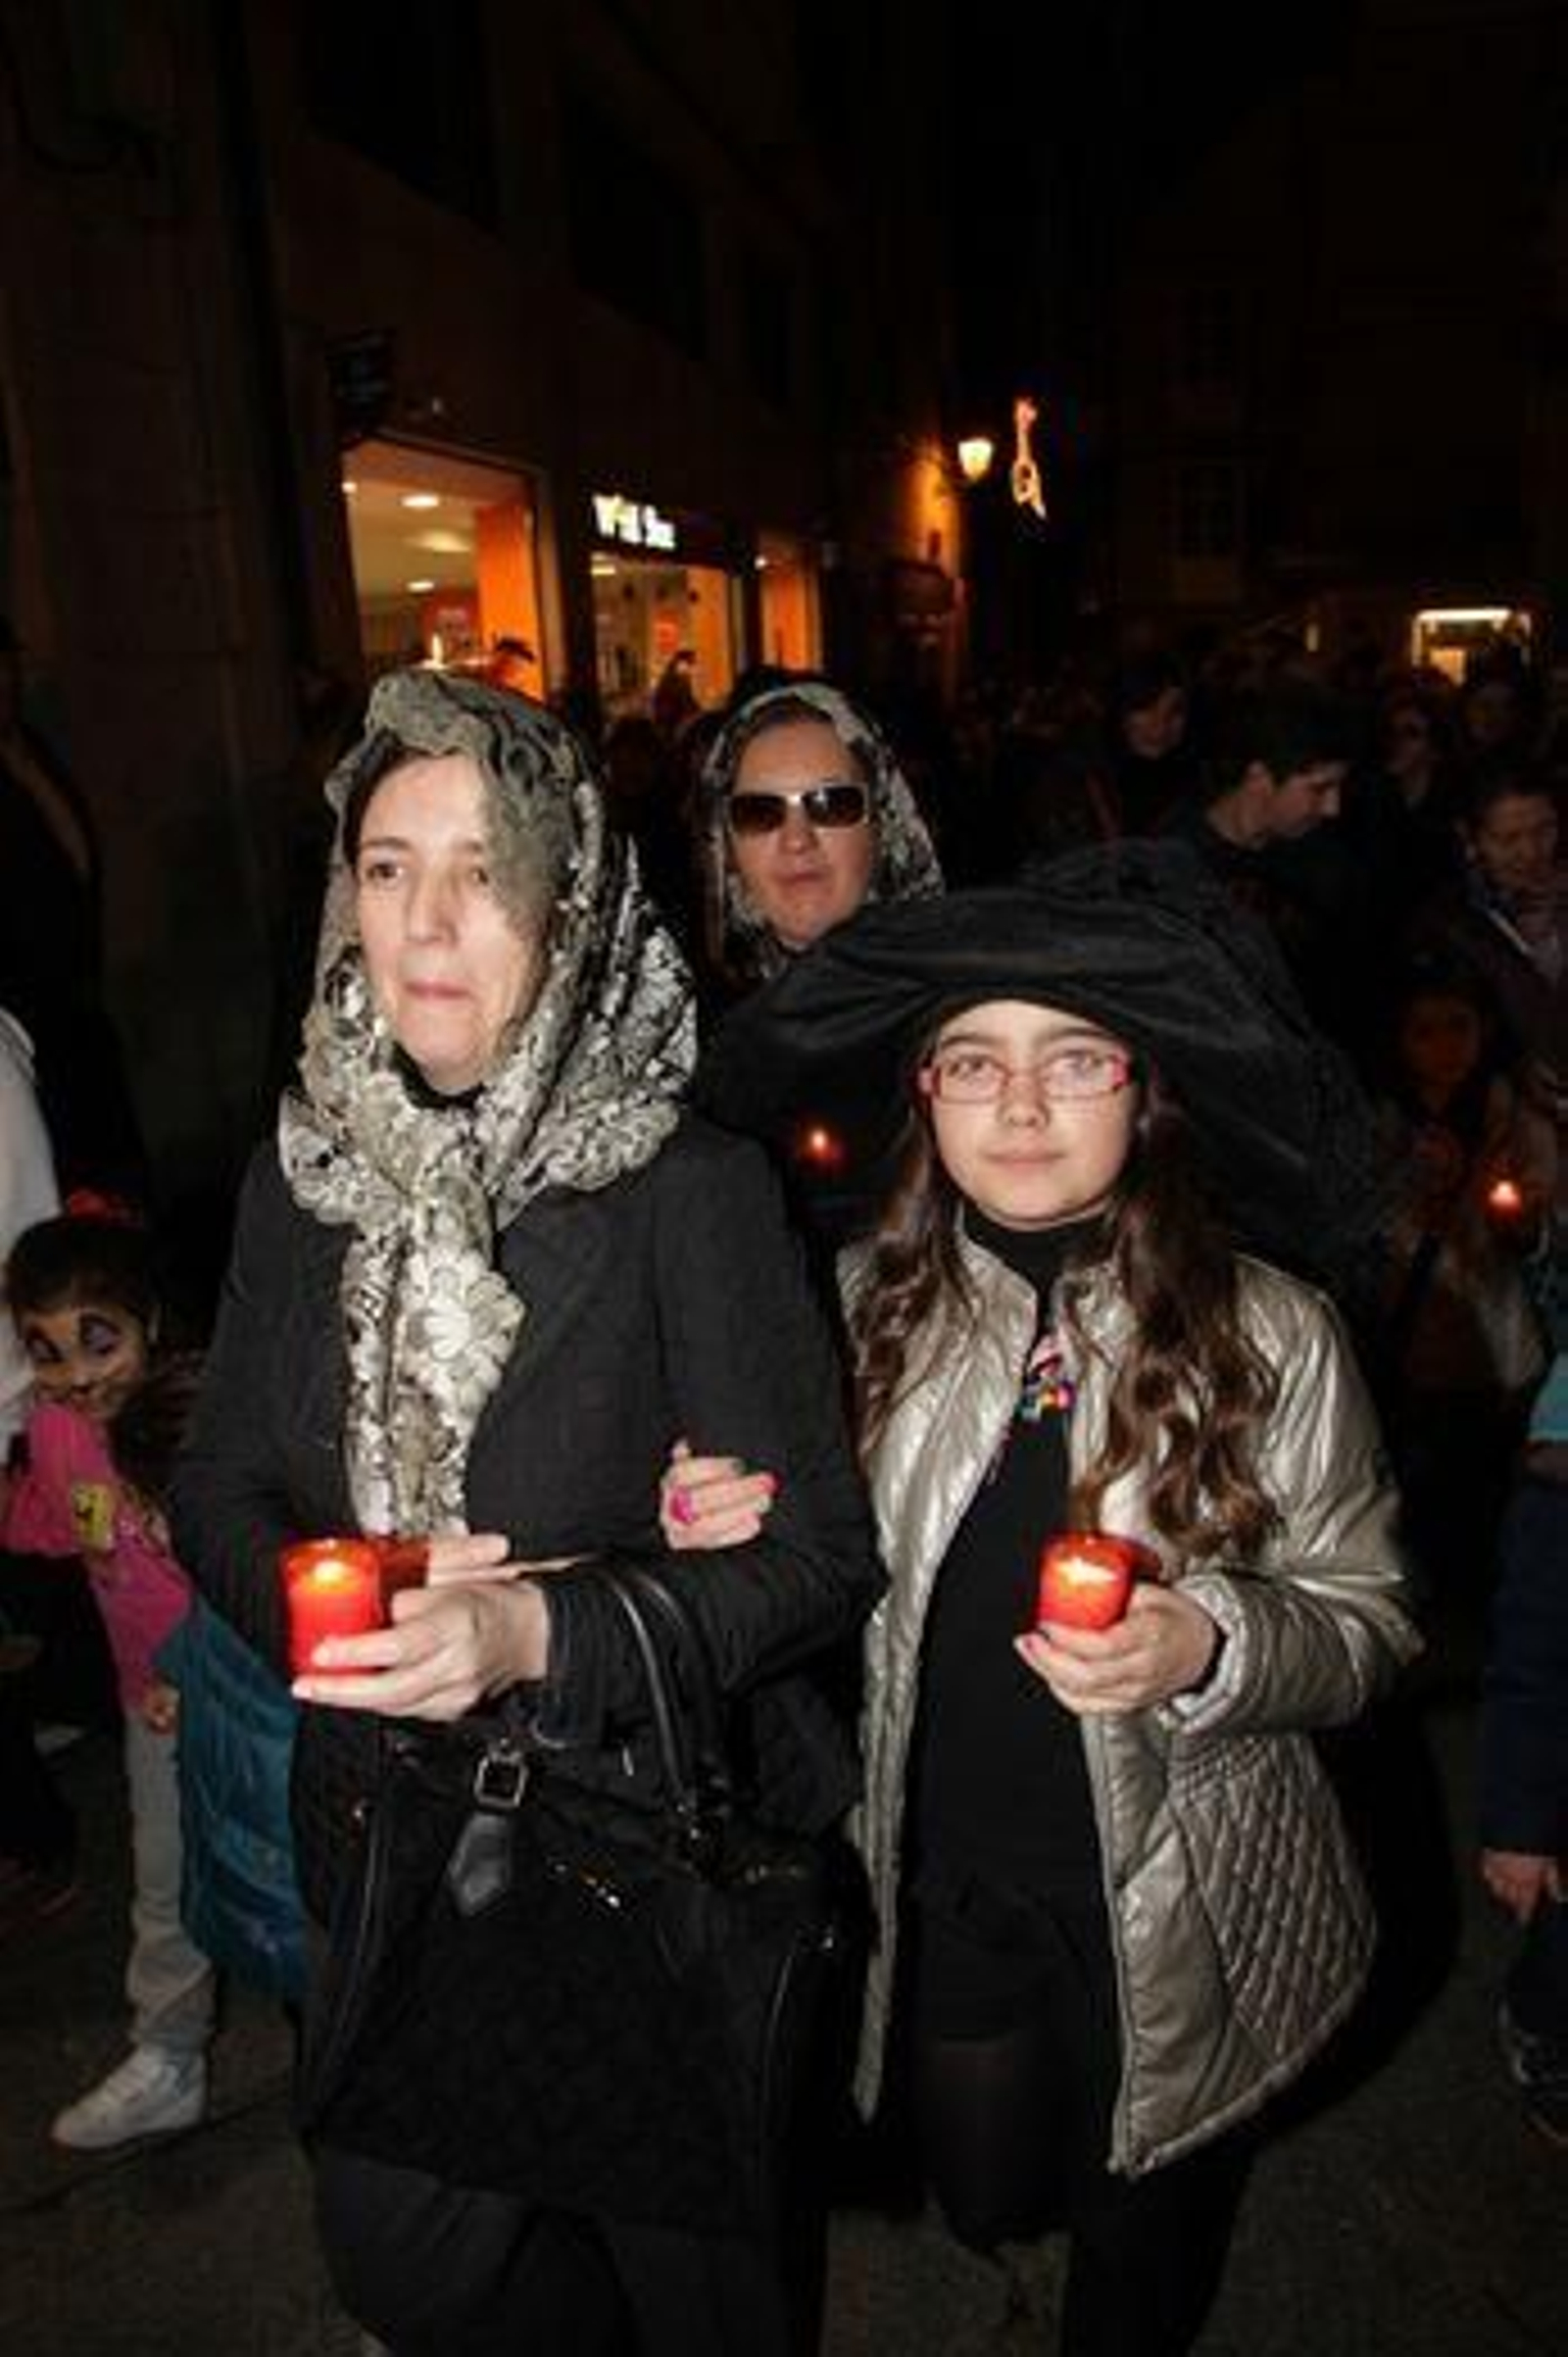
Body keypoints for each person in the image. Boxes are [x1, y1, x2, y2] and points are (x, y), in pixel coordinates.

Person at [171, 667, 878, 2357]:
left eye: (483, 870)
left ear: (569, 903)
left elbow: (821, 1562)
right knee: (409, 2269)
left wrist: (533, 1625)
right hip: (384, 1840)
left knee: (699, 2297)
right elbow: (214, 1484)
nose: (426, 921)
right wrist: (336, 1614)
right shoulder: (300, 1173)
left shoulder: (685, 1188)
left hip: (634, 1846)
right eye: (388, 865)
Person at [669, 844, 1422, 2356]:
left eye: (1074, 1060)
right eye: (975, 1063)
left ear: (1147, 1091)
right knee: (985, 2179)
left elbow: (1371, 1618)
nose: (1020, 1107)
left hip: (1178, 1887)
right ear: (924, 1093)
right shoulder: (849, 1308)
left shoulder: (1274, 1333)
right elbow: (794, 1574)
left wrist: (1210, 1639)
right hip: (941, 1871)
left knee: (1139, 2239)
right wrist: (711, 1518)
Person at [1, 1212, 217, 2145]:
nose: (79, 1376)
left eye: (101, 1342)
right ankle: (169, 2054)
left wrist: (205, 1675)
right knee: (164, 1883)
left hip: (244, 1695)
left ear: (149, 1322)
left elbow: (245, 1573)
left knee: (304, 1871)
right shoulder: (54, 1427)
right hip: (148, 1703)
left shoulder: (193, 1423)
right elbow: (58, 1522)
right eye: (46, 1352)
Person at [694, 675, 942, 1005]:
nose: (797, 840)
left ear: (882, 825)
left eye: (831, 804)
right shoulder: (687, 1026)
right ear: (726, 848)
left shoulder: (961, 1020)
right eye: (759, 811)